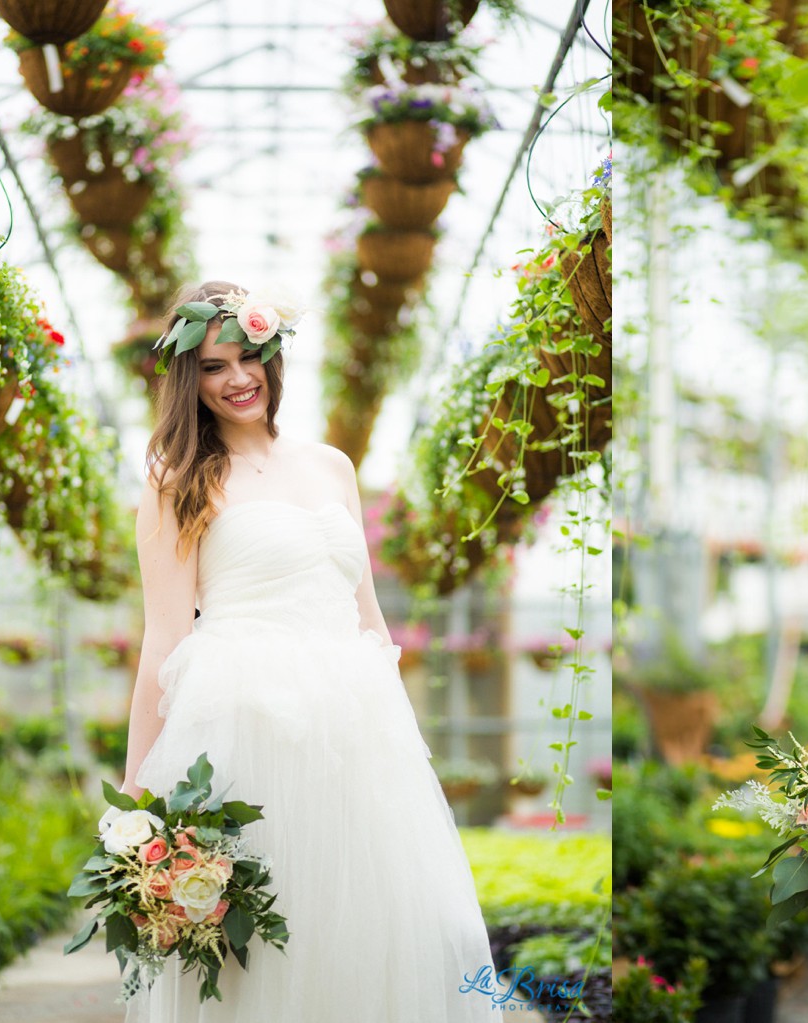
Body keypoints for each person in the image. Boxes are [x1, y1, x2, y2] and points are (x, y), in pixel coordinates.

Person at [115, 280, 497, 1021]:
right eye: (216, 365)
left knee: (372, 923)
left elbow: (370, 620)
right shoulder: (176, 479)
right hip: (246, 724)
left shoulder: (331, 466)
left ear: (273, 354)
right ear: (190, 380)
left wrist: (401, 747)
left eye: (250, 355)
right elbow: (163, 639)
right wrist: (136, 796)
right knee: (260, 938)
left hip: (355, 728)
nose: (238, 378)